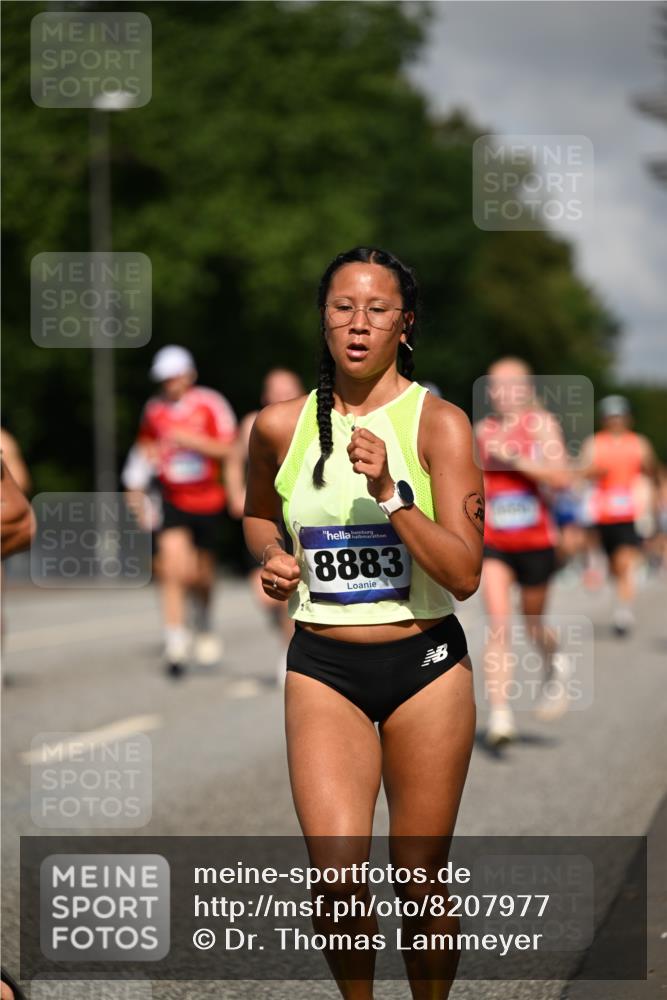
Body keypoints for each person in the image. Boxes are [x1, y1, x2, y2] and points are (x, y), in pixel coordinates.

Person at [243, 247, 483, 998]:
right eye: (343, 307)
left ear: (404, 326)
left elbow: (465, 573)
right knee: (338, 878)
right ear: (323, 319)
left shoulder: (439, 425)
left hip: (424, 667)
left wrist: (392, 495)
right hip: (323, 667)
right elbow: (255, 514)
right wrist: (274, 556)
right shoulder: (278, 427)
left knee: (417, 879)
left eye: (377, 310)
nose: (358, 324)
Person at [474, 358, 574, 747]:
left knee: (533, 622)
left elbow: (563, 477)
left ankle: (554, 659)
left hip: (536, 541)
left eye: (509, 385)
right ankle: (501, 716)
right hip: (496, 541)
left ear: (526, 388)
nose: (500, 393)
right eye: (495, 386)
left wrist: (514, 458)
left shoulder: (542, 425)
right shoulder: (483, 430)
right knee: (498, 625)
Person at [133, 345, 237, 677]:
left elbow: (230, 449)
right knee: (173, 568)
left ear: (188, 375)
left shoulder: (210, 403)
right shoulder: (154, 409)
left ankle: (204, 621)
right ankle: (175, 641)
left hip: (207, 498)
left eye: (174, 376)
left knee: (201, 574)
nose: (169, 384)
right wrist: (146, 467)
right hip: (171, 498)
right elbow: (145, 445)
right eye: (164, 379)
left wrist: (191, 441)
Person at [226, 368, 304, 684]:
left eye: (288, 389)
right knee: (263, 594)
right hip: (261, 514)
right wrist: (235, 494)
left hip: (292, 515)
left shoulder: (311, 420)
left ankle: (290, 650)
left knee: (286, 585)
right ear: (265, 395)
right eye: (275, 390)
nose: (281, 395)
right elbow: (232, 460)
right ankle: (287, 635)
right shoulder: (252, 424)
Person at [577, 395, 659, 636]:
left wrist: (652, 498)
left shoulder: (639, 444)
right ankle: (615, 587)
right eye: (611, 418)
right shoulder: (594, 443)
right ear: (604, 420)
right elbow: (581, 472)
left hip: (630, 512)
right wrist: (594, 471)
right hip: (602, 513)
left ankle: (623, 612)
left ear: (628, 419)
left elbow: (651, 469)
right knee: (614, 564)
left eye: (620, 417)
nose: (616, 422)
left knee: (625, 561)